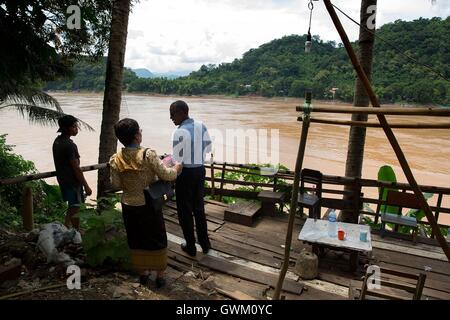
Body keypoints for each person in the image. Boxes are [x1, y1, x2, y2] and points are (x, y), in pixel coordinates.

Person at [109, 118, 182, 288]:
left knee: (136, 238)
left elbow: (116, 184)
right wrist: (177, 167)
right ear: (136, 136)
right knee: (156, 237)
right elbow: (168, 176)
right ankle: (160, 276)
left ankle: (142, 274)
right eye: (140, 131)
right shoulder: (148, 154)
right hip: (149, 203)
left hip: (128, 204)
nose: (141, 133)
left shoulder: (115, 158)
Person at [170, 100, 212, 257]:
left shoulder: (179, 132)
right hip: (200, 171)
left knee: (184, 211)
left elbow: (176, 159)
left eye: (172, 114)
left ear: (181, 113)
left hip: (186, 174)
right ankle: (205, 244)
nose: (171, 118)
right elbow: (208, 147)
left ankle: (191, 246)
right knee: (199, 208)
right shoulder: (201, 125)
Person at [52, 115, 92, 230]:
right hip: (72, 181)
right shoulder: (70, 145)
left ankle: (66, 225)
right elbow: (76, 168)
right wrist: (86, 185)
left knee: (72, 203)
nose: (76, 129)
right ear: (67, 128)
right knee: (76, 206)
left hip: (63, 179)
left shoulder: (57, 141)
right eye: (74, 126)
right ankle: (77, 230)